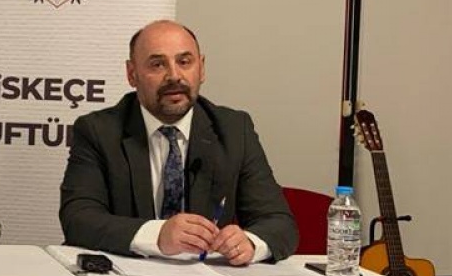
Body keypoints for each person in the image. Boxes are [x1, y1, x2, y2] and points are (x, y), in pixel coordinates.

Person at [59, 19, 296, 263]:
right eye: (157, 64)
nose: (174, 76)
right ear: (132, 74)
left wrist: (249, 242)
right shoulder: (99, 131)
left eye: (184, 62)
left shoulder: (234, 130)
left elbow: (278, 223)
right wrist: (157, 235)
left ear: (201, 69)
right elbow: (77, 218)